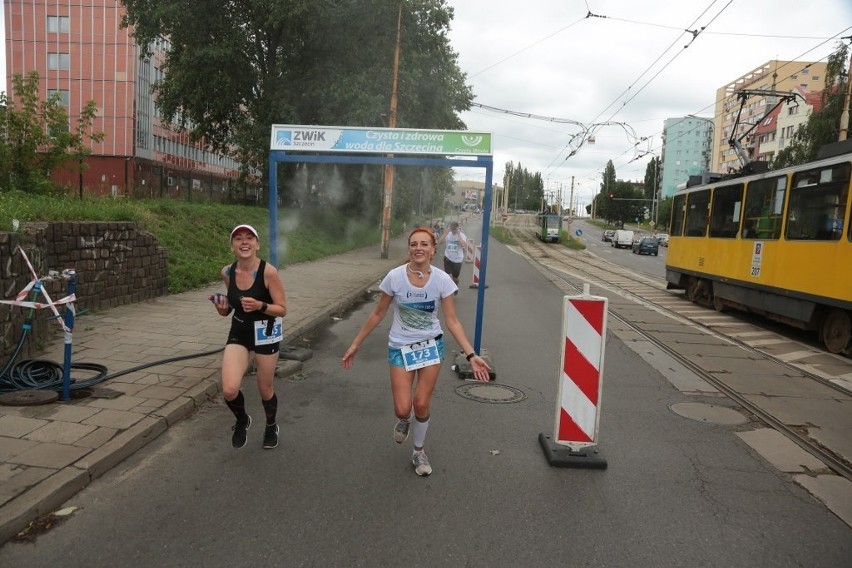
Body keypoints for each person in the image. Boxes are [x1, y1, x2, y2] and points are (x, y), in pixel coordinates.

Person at [341, 227, 491, 476]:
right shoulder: (394, 277)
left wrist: (471, 355)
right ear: (409, 249)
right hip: (400, 346)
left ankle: (419, 451)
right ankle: (404, 420)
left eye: (424, 244)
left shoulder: (442, 280)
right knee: (403, 408)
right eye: (414, 244)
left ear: (433, 250)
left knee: (421, 402)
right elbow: (378, 313)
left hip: (431, 346)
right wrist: (356, 343)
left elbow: (452, 321)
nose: (418, 248)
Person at [209, 224, 287, 449]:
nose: (244, 242)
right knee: (229, 389)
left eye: (249, 238)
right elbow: (229, 309)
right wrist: (221, 306)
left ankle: (271, 425)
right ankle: (242, 420)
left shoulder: (268, 272)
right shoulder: (227, 272)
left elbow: (282, 309)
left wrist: (260, 305)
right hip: (240, 331)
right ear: (232, 246)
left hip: (266, 332)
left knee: (264, 387)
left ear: (257, 244)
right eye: (238, 239)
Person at [436, 221, 467, 290]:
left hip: (457, 259)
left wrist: (458, 235)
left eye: (454, 229)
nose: (453, 231)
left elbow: (464, 245)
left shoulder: (461, 235)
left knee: (455, 278)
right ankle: (449, 290)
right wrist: (445, 233)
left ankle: (456, 286)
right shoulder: (448, 234)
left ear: (457, 228)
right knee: (447, 276)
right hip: (448, 257)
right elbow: (440, 242)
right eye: (452, 229)